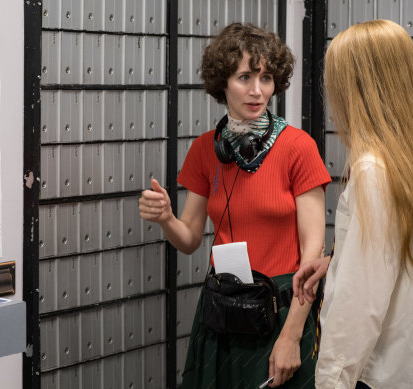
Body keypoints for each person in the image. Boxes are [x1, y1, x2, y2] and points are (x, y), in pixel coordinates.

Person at [139, 23, 331, 388]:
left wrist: (291, 336)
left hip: (284, 310)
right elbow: (190, 239)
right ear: (222, 82)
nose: (257, 91)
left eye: (267, 78)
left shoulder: (298, 147)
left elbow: (314, 252)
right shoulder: (204, 150)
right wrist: (166, 218)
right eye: (245, 77)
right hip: (224, 308)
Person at [293, 19, 413, 389]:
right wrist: (339, 262)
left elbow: (359, 306)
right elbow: (402, 261)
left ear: (355, 90)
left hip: (379, 374)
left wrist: (330, 382)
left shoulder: (373, 169)